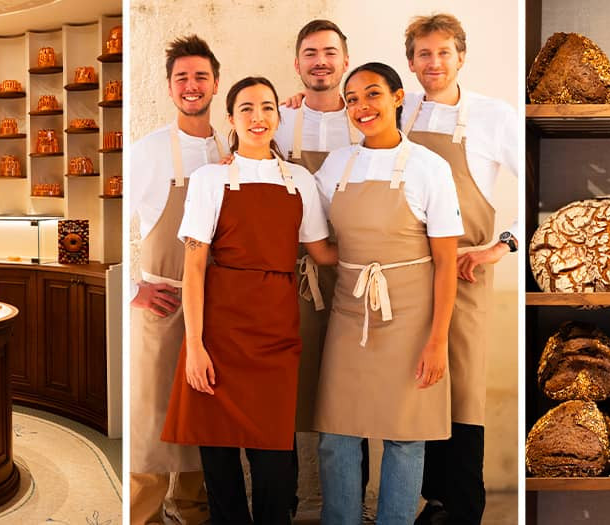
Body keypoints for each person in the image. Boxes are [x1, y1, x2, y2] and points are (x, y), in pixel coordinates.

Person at [161, 76, 336, 524]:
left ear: (279, 116)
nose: (258, 118)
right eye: (247, 109)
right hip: (218, 332)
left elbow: (322, 252)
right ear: (231, 118)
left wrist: (398, 258)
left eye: (267, 108)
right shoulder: (210, 178)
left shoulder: (300, 179)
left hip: (276, 329)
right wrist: (195, 346)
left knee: (276, 461)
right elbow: (194, 268)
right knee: (219, 461)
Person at [313, 62, 461, 524]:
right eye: (352, 99)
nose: (361, 107)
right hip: (349, 311)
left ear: (399, 98)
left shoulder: (429, 167)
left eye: (372, 94)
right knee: (336, 435)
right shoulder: (337, 164)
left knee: (404, 434)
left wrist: (437, 341)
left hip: (411, 316)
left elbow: (445, 264)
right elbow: (311, 231)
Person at [401, 14, 519, 525]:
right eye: (424, 54)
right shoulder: (396, 111)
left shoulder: (494, 116)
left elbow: (538, 184)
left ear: (462, 57)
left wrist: (502, 246)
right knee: (413, 384)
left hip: (466, 268)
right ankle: (432, 502)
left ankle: (464, 505)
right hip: (405, 272)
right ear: (410, 62)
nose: (434, 63)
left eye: (444, 52)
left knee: (463, 387)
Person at [272, 18, 369, 517]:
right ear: (297, 65)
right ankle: (283, 504)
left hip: (355, 269)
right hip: (291, 274)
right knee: (285, 393)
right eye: (310, 53)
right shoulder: (278, 121)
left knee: (351, 392)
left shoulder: (370, 120)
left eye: (330, 52)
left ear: (345, 61)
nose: (320, 62)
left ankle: (348, 507)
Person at [128, 34, 225, 525]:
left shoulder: (234, 149)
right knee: (150, 423)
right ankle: (141, 515)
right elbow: (105, 222)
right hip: (165, 306)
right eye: (182, 78)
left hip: (218, 310)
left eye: (200, 76)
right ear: (169, 88)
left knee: (202, 421)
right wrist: (134, 290)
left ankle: (192, 511)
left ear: (215, 84)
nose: (192, 86)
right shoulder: (146, 152)